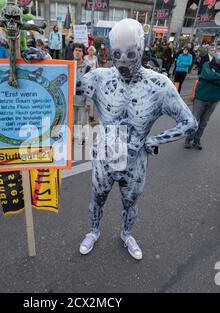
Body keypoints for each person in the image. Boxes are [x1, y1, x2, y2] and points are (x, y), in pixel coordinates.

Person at [78, 19, 197, 260]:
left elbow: (190, 123)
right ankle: (93, 231)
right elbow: (60, 89)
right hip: (105, 156)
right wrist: (32, 62)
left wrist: (157, 140)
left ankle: (126, 234)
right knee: (97, 198)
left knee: (130, 203)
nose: (122, 62)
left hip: (134, 160)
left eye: (130, 54)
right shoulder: (99, 78)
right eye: (117, 54)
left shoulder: (159, 85)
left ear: (141, 50)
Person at [185, 44, 220, 150]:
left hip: (214, 99)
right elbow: (207, 75)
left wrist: (215, 76)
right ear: (215, 52)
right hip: (201, 97)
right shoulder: (207, 64)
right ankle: (189, 139)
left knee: (203, 123)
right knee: (194, 121)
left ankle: (197, 140)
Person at [73, 43, 91, 142]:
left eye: (80, 51)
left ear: (83, 53)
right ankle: (74, 136)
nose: (77, 52)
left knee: (84, 121)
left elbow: (90, 86)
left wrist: (88, 102)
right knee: (73, 120)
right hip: (71, 98)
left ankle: (84, 137)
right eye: (76, 50)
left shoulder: (87, 68)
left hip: (83, 98)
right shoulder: (69, 65)